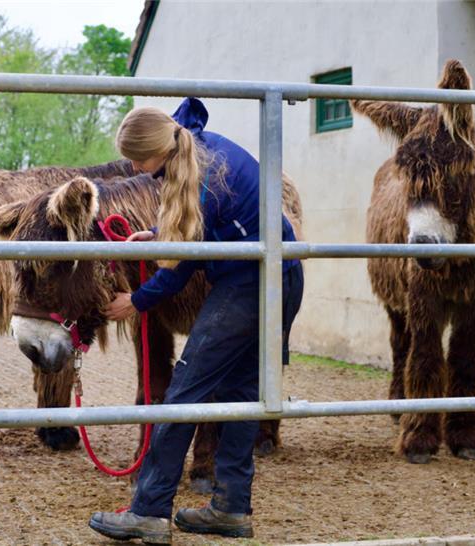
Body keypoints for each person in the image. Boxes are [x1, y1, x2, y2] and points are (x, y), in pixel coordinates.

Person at [89, 97, 304, 545]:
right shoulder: (197, 147)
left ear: (154, 151)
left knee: (184, 394)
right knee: (242, 396)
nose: (135, 168)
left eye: (136, 158)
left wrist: (139, 300)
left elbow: (183, 264)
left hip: (252, 285)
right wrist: (159, 235)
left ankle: (148, 512)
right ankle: (230, 508)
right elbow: (201, 235)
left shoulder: (205, 178)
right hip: (278, 278)